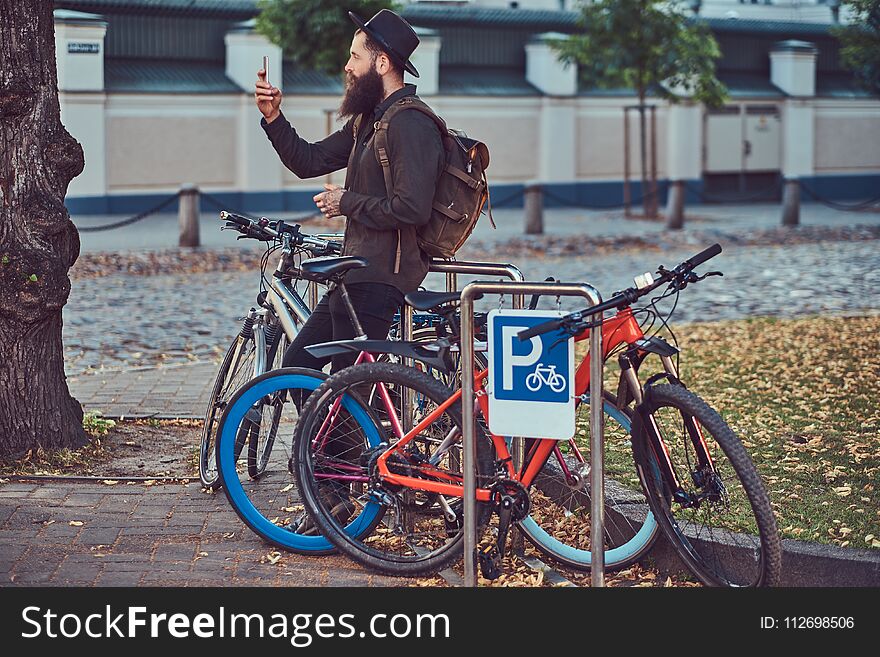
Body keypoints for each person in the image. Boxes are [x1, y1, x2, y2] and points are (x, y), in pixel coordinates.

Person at [254, 9, 444, 373]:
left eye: (356, 56)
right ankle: (322, 433)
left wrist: (347, 202)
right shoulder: (369, 120)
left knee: (349, 392)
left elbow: (413, 208)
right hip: (354, 272)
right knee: (298, 364)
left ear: (383, 62)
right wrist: (274, 117)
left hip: (381, 279)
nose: (347, 66)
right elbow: (309, 160)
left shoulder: (410, 122)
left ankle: (358, 434)